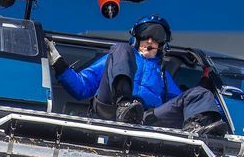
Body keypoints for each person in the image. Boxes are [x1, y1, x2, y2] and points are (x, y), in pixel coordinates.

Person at [46, 15, 226, 134]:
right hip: (110, 109)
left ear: (162, 44)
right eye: (145, 34)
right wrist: (58, 62)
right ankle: (125, 103)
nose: (150, 40)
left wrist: (206, 87)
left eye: (156, 37)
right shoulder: (119, 56)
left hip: (146, 118)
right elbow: (81, 88)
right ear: (136, 38)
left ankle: (195, 130)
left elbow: (181, 101)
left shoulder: (162, 75)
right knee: (120, 49)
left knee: (199, 94)